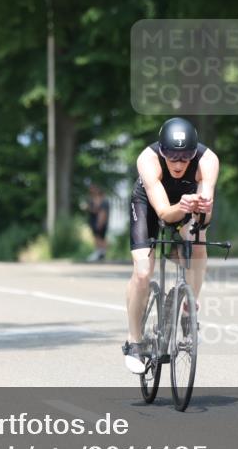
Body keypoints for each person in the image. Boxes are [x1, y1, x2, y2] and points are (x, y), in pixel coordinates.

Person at [123, 117, 219, 374]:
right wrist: (182, 206)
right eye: (172, 157)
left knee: (198, 241)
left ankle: (190, 306)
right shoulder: (148, 159)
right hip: (150, 206)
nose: (178, 164)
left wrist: (202, 211)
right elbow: (165, 212)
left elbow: (205, 214)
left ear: (194, 153)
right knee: (143, 272)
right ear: (162, 151)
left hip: (188, 205)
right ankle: (134, 342)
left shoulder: (208, 160)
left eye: (186, 157)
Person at [85, 184, 109, 262]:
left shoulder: (103, 200)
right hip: (94, 221)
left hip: (99, 222)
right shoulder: (92, 199)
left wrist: (100, 222)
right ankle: (100, 253)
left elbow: (102, 212)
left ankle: (100, 253)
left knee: (100, 237)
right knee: (98, 237)